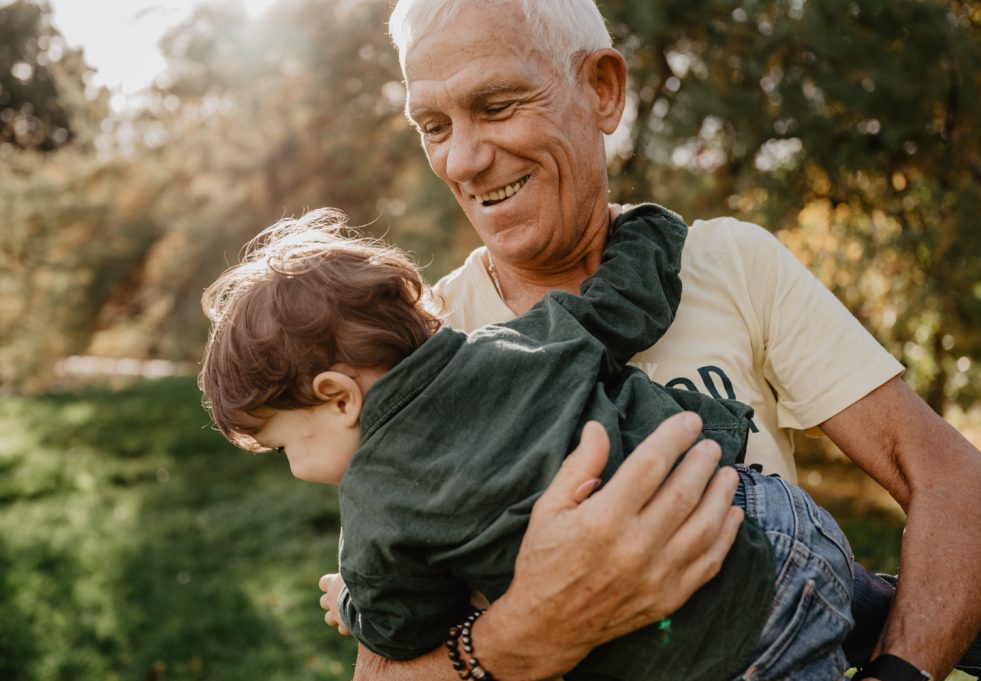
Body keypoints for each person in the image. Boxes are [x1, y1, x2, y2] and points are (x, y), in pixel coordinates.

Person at [312, 1, 981, 680]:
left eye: (496, 106)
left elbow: (958, 485)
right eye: (433, 125)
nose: (463, 159)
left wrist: (897, 672)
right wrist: (523, 633)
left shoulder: (731, 264)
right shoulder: (423, 350)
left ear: (602, 90)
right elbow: (383, 664)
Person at [199, 203, 858, 679]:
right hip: (774, 516)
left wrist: (349, 599)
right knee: (832, 592)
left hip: (736, 628)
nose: (293, 468)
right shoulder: (518, 341)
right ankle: (869, 599)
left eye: (283, 445)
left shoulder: (377, 502)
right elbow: (626, 302)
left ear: (337, 395)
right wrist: (647, 226)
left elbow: (402, 623)